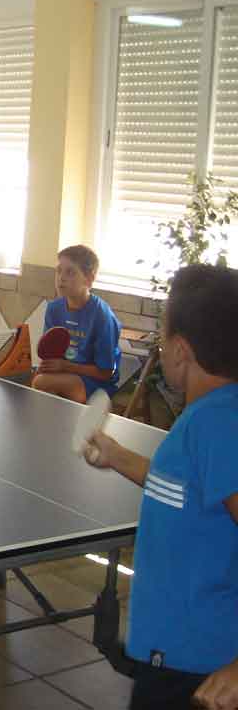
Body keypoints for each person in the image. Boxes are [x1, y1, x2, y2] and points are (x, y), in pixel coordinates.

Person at [83, 264, 238, 710]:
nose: (160, 346)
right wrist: (117, 456)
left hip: (199, 665)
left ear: (180, 351)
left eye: (163, 336)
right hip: (175, 653)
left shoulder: (219, 425)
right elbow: (186, 488)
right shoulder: (206, 417)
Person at [31, 245, 121, 403]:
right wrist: (49, 366)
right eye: (58, 271)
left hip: (96, 383)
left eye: (70, 272)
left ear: (89, 279)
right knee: (40, 379)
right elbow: (51, 354)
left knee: (42, 382)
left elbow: (106, 372)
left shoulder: (103, 316)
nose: (61, 278)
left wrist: (65, 366)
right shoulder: (54, 309)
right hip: (65, 372)